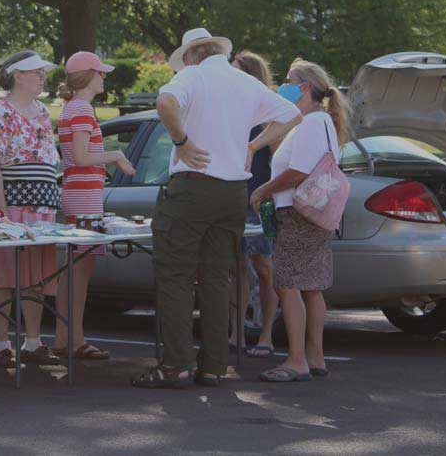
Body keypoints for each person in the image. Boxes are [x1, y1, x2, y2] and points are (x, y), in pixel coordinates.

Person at [131, 28, 301, 390]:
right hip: (233, 191)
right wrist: (253, 145)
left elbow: (165, 104)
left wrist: (181, 140)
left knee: (176, 276)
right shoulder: (244, 82)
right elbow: (290, 113)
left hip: (194, 186)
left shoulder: (193, 76)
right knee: (217, 278)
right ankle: (213, 366)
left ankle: (176, 364)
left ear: (190, 55)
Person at [250, 59, 350, 383]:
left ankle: (296, 361)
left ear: (305, 87)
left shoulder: (310, 124)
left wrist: (263, 190)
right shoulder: (322, 122)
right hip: (315, 215)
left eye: (290, 81)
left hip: (296, 213)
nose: (285, 85)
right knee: (311, 286)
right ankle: (315, 357)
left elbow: (299, 172)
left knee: (287, 284)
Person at [51, 51, 136, 360]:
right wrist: (116, 155)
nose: (104, 77)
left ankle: (66, 337)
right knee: (80, 269)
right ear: (87, 76)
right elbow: (82, 156)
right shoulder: (82, 109)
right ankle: (73, 339)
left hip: (79, 190)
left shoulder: (73, 108)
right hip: (84, 193)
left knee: (75, 269)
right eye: (100, 73)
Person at [0, 51, 61, 368]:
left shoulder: (41, 111)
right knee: (4, 273)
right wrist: (0, 212)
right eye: (36, 72)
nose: (43, 77)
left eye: (43, 72)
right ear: (19, 76)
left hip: (42, 204)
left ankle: (32, 341)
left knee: (37, 276)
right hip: (13, 201)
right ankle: (2, 344)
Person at [228, 50, 279, 359]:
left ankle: (267, 335)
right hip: (234, 195)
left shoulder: (267, 109)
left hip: (264, 201)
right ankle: (236, 334)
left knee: (265, 268)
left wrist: (271, 192)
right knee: (237, 269)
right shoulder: (230, 108)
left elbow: (279, 155)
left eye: (236, 71)